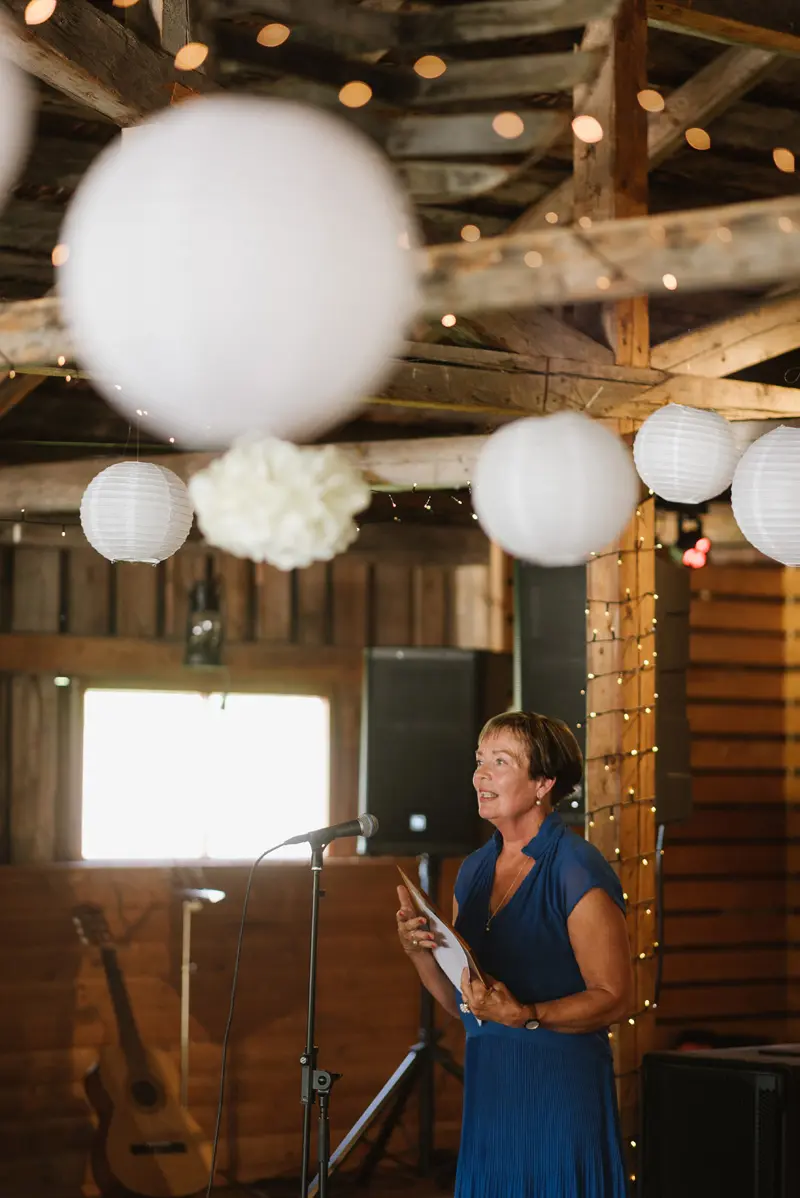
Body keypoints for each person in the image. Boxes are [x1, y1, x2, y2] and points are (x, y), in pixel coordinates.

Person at [396, 710, 632, 1198]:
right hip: (491, 1088)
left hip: (559, 1089)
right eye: (479, 760)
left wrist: (527, 1015)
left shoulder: (576, 867)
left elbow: (614, 997)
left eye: (500, 762)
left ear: (543, 783)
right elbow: (467, 1004)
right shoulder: (474, 870)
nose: (480, 775)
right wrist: (419, 953)